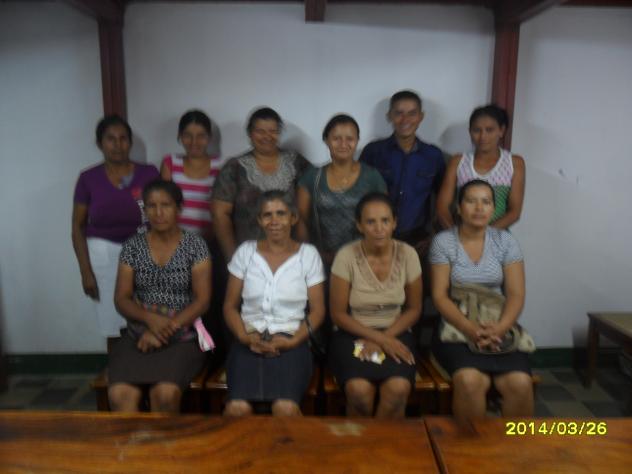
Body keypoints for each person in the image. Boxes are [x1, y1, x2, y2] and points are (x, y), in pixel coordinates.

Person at [430, 179, 533, 421]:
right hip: (456, 326)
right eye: (471, 201)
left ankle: (514, 445)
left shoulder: (505, 241)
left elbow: (516, 294)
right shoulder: (444, 242)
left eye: (486, 202)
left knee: (520, 383)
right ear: (459, 207)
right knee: (470, 381)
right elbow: (439, 296)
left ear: (493, 208)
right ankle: (474, 445)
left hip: (498, 324)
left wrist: (500, 328)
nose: (479, 208)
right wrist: (470, 329)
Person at [107, 180, 212, 413]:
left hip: (182, 336)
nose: (158, 212)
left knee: (164, 394)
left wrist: (165, 329)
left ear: (179, 208)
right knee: (120, 394)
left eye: (166, 205)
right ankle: (133, 440)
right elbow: (122, 298)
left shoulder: (195, 246)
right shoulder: (133, 247)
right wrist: (150, 321)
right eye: (151, 206)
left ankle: (162, 440)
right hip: (138, 333)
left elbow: (202, 300)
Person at [223, 191, 325, 417]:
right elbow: (229, 306)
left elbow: (318, 311)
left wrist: (293, 341)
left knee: (285, 408)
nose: (274, 221)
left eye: (281, 213)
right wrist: (244, 337)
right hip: (248, 341)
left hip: (292, 342)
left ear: (293, 218)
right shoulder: (246, 252)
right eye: (267, 215)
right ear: (259, 220)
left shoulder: (308, 255)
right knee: (237, 408)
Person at [329, 193, 422, 418]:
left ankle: (384, 442)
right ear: (359, 225)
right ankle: (361, 442)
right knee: (359, 391)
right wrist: (379, 339)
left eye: (385, 221)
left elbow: (414, 309)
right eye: (370, 222)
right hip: (352, 334)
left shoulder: (408, 254)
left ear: (394, 223)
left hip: (397, 333)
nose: (379, 228)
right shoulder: (346, 256)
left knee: (398, 390)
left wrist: (385, 338)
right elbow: (338, 314)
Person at [72, 115, 159, 338]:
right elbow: (77, 227)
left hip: (145, 251)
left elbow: (162, 214)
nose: (117, 145)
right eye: (110, 139)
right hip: (104, 257)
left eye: (123, 138)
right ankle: (117, 360)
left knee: (149, 318)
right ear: (100, 143)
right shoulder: (88, 178)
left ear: (130, 142)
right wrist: (85, 272)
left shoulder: (149, 173)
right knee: (112, 324)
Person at [212, 107, 309, 261]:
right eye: (260, 131)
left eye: (272, 131)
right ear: (250, 133)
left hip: (291, 256)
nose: (267, 136)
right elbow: (219, 214)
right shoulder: (234, 168)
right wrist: (234, 258)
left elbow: (308, 208)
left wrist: (304, 254)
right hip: (248, 257)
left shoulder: (297, 163)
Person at [360, 90, 445, 256]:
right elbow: (359, 195)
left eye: (412, 114)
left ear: (421, 117)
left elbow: (443, 200)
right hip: (376, 237)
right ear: (389, 116)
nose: (405, 120)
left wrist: (433, 236)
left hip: (418, 240)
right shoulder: (373, 152)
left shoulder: (433, 156)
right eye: (399, 113)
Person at [297, 114, 387, 267]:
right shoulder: (312, 177)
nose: (343, 144)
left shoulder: (372, 177)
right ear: (326, 140)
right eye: (336, 138)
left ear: (357, 140)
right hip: (322, 262)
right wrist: (310, 256)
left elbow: (384, 219)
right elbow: (301, 220)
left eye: (350, 138)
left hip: (364, 260)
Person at [436, 104, 525, 230]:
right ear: (470, 132)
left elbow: (514, 212)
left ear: (501, 130)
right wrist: (456, 236)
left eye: (489, 130)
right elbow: (442, 207)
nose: (483, 136)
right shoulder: (458, 161)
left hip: (497, 236)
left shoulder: (514, 163)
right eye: (477, 130)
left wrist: (481, 237)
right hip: (459, 236)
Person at [160, 109, 221, 240]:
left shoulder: (221, 166)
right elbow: (164, 205)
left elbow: (222, 211)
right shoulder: (170, 163)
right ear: (180, 136)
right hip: (175, 240)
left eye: (201, 136)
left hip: (211, 241)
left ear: (209, 137)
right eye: (188, 135)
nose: (194, 142)